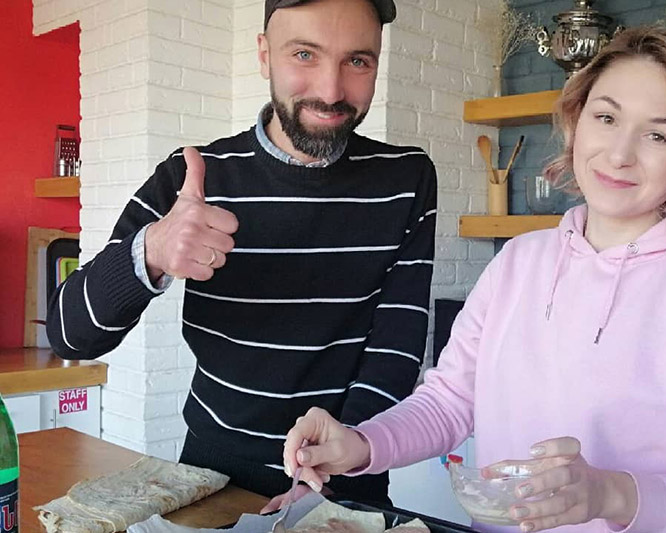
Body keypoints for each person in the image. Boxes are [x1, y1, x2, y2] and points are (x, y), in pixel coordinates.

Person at [282, 26, 666, 532]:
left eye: (659, 134)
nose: (619, 154)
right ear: (576, 120)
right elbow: (449, 402)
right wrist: (360, 443)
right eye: (606, 117)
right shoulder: (519, 260)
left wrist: (609, 494)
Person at [46, 0, 437, 506]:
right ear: (264, 55)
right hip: (213, 477)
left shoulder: (407, 178)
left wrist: (336, 466)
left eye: (357, 61)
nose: (331, 90)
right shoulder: (194, 175)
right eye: (304, 54)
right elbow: (70, 335)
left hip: (347, 477)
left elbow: (396, 345)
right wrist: (152, 252)